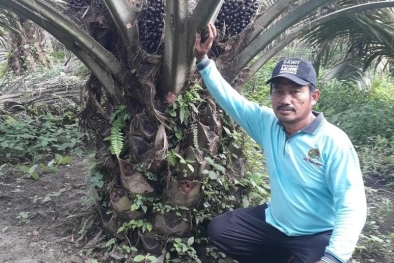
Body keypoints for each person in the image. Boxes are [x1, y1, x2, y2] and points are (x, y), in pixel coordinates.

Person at [193, 23, 367, 263]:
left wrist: (333, 258)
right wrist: (203, 61)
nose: (286, 99)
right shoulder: (268, 123)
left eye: (296, 91)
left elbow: (352, 205)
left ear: (313, 97)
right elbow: (231, 100)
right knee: (222, 230)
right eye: (278, 91)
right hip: (276, 224)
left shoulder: (333, 142)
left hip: (315, 234)